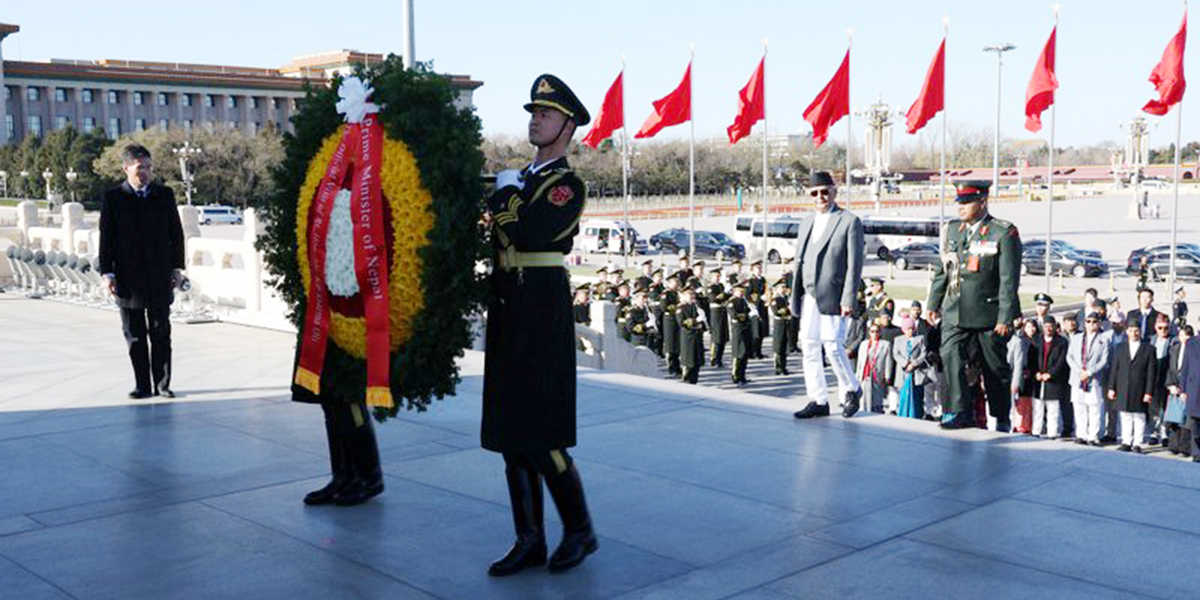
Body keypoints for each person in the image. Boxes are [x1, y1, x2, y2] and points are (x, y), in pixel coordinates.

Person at [482, 74, 596, 576]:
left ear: (568, 126)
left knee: (543, 430)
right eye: (533, 112)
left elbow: (530, 230)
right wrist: (509, 197)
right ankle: (528, 538)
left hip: (542, 307)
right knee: (511, 431)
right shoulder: (522, 179)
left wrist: (505, 199)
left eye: (546, 114)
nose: (535, 119)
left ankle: (579, 530)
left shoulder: (567, 185)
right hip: (509, 302)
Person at [926, 180, 1022, 430]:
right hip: (954, 310)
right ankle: (959, 412)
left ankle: (1001, 416)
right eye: (959, 202)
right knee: (949, 355)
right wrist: (933, 302)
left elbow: (1009, 280)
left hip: (988, 314)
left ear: (983, 202)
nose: (961, 207)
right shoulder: (953, 230)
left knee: (994, 369)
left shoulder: (1002, 232)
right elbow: (942, 269)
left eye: (967, 202)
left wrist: (1005, 316)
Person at [99, 144, 185, 399]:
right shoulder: (113, 198)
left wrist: (177, 268)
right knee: (134, 335)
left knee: (161, 332)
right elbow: (107, 239)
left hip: (159, 276)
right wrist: (107, 273)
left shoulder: (164, 195)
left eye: (148, 167)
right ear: (126, 168)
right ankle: (142, 386)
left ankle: (163, 384)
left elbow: (176, 235)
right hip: (128, 278)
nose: (144, 172)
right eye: (139, 167)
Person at [790, 171, 866, 419]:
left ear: (835, 192)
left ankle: (852, 388)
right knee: (810, 345)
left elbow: (854, 266)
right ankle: (819, 399)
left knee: (833, 346)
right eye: (815, 193)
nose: (820, 196)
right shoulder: (805, 222)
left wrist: (848, 299)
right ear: (809, 196)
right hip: (809, 294)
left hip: (833, 296)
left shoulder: (848, 221)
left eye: (825, 191)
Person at [1106, 320, 1157, 453]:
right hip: (1123, 386)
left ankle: (1137, 443)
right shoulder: (1120, 347)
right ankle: (1126, 441)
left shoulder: (1149, 349)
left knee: (1139, 416)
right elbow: (1114, 369)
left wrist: (1149, 392)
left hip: (1140, 388)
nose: (1134, 333)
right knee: (1125, 415)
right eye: (1131, 330)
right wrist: (1111, 387)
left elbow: (1152, 372)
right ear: (1126, 332)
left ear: (1140, 332)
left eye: (1136, 331)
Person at [1068, 312, 1110, 446]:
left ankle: (1093, 435)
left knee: (1094, 408)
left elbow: (1104, 360)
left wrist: (1090, 372)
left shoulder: (1103, 339)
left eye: (1094, 321)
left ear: (1099, 323)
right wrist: (1079, 371)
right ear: (1084, 323)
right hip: (1077, 377)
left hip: (1094, 378)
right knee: (1079, 406)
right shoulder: (1076, 337)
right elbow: (1069, 357)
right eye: (1088, 321)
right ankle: (1081, 434)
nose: (1091, 324)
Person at [1028, 316, 1069, 439]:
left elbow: (1061, 362)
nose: (1049, 329)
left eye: (1051, 326)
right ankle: (1036, 431)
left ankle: (1052, 433)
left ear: (1055, 327)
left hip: (1054, 380)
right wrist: (1036, 373)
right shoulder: (1036, 340)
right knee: (1037, 408)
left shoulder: (1062, 342)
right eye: (1046, 326)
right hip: (1038, 380)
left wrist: (1050, 374)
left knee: (1053, 409)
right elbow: (1031, 359)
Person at [892, 315, 929, 419]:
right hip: (904, 371)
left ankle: (916, 414)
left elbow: (923, 354)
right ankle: (903, 413)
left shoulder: (920, 339)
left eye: (912, 329)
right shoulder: (898, 340)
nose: (910, 331)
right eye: (908, 329)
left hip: (916, 372)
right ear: (903, 330)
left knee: (916, 394)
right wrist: (906, 364)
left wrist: (914, 363)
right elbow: (896, 354)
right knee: (904, 393)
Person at [1166, 325, 1194, 456]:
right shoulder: (1174, 349)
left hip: (1189, 389)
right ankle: (1173, 446)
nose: (1184, 338)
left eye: (1187, 336)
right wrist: (1171, 385)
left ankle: (1185, 448)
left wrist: (1186, 390)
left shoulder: (1195, 350)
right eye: (1183, 335)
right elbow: (1171, 369)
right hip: (1175, 388)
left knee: (1186, 421)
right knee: (1174, 418)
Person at [856, 322, 894, 413]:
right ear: (869, 332)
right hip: (865, 373)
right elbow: (860, 361)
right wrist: (858, 374)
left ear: (880, 333)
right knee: (864, 396)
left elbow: (888, 361)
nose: (875, 334)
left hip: (878, 374)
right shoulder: (864, 344)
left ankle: (877, 411)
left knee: (877, 396)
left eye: (877, 331)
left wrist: (887, 375)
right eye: (872, 331)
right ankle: (864, 411)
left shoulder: (885, 344)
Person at [1149, 313, 1174, 446]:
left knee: (1165, 407)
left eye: (1166, 328)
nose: (1163, 331)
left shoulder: (1173, 341)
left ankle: (1164, 432)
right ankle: (1154, 431)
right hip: (1153, 378)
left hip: (1166, 377)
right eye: (1160, 328)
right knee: (1153, 407)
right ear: (1155, 327)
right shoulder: (1150, 340)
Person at [1009, 319, 1037, 434]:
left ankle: (1026, 424)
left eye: (1033, 327)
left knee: (1027, 402)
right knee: (1019, 401)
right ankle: (1018, 424)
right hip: (1021, 374)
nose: (1031, 329)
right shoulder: (1019, 340)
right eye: (1029, 327)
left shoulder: (1037, 341)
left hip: (1032, 373)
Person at [1176, 332, 1200, 462]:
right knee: (1195, 422)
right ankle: (1197, 453)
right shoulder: (1191, 342)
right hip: (1194, 388)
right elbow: (1185, 366)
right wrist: (1183, 389)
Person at [677, 287, 706, 384]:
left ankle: (694, 381)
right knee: (689, 363)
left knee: (697, 362)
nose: (692, 297)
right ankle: (687, 382)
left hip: (697, 337)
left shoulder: (696, 306)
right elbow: (682, 322)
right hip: (688, 337)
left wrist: (703, 323)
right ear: (684, 296)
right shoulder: (681, 308)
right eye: (690, 295)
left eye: (693, 295)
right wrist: (696, 320)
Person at [729, 281, 753, 385]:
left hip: (745, 327)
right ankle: (735, 375)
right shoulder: (732, 302)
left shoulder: (743, 301)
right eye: (739, 291)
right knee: (738, 352)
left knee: (745, 352)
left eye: (743, 291)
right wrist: (744, 316)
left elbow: (747, 311)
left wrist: (745, 315)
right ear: (734, 291)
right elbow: (734, 315)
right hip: (738, 328)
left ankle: (742, 375)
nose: (742, 293)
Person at [707, 268, 730, 368]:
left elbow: (725, 298)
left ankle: (719, 359)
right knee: (717, 336)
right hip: (715, 312)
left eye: (719, 276)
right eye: (716, 276)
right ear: (711, 277)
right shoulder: (710, 287)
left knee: (723, 336)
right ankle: (714, 359)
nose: (718, 278)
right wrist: (726, 294)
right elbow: (715, 299)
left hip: (722, 311)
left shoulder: (720, 286)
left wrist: (727, 294)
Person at [661, 273, 682, 378]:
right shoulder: (666, 294)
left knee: (677, 343)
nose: (677, 283)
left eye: (678, 281)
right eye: (675, 282)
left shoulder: (678, 293)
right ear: (669, 283)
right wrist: (679, 306)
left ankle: (677, 366)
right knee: (670, 343)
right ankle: (671, 367)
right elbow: (664, 307)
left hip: (677, 319)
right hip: (669, 319)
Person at [771, 279, 794, 375]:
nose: (784, 289)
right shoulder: (775, 299)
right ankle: (778, 367)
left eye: (784, 287)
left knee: (784, 345)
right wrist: (787, 310)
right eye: (782, 287)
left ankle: (784, 366)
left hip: (786, 322)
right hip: (779, 323)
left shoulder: (785, 298)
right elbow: (776, 312)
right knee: (778, 346)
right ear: (777, 289)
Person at [747, 260, 768, 359]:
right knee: (755, 331)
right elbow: (748, 295)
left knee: (762, 330)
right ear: (752, 270)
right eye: (757, 268)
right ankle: (752, 352)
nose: (759, 270)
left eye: (760, 268)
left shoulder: (763, 280)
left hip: (762, 306)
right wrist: (760, 297)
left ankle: (759, 351)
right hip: (754, 307)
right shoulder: (750, 281)